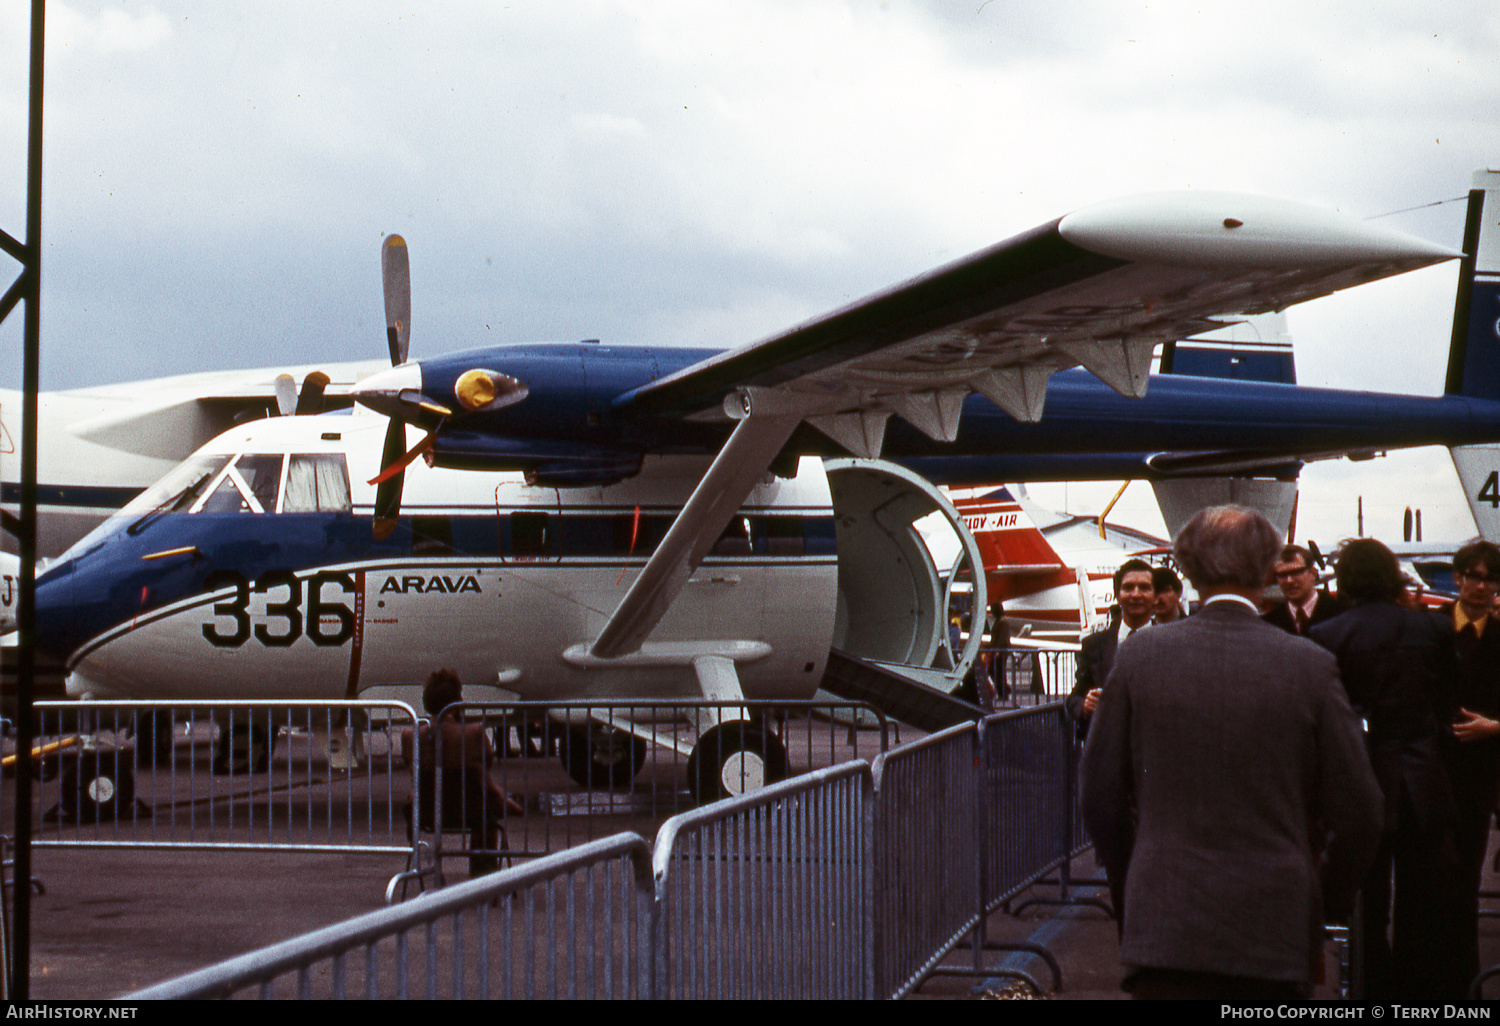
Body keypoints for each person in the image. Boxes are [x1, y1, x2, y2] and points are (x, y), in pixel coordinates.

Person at [1080, 506, 1382, 1000]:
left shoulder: (1141, 655)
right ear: (1267, 571)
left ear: (1188, 571)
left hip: (1165, 925)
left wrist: (1139, 883)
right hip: (1275, 926)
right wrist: (1322, 899)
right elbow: (1361, 812)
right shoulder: (1309, 663)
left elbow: (1099, 798)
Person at [1308, 539, 1460, 1000]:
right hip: (1422, 779)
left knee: (1367, 903)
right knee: (1422, 901)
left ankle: (1373, 988)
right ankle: (1422, 995)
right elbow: (1446, 705)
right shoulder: (1433, 630)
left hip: (1362, 779)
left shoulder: (1327, 636)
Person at [1434, 541, 1500, 991]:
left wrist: (1494, 728)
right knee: (1426, 887)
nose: (1480, 586)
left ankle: (1462, 986)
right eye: (1472, 576)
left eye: (1490, 578)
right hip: (1428, 774)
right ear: (1456, 579)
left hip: (1479, 780)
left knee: (1463, 884)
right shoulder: (1426, 628)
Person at [400, 669, 522, 877]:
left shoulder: (410, 736)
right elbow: (486, 766)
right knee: (484, 810)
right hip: (472, 811)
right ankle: (482, 873)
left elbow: (411, 767)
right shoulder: (474, 732)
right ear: (457, 700)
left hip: (427, 813)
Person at [1065, 559, 1155, 739]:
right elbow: (1073, 698)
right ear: (1117, 595)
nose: (1136, 594)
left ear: (1155, 595)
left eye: (1144, 588)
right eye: (1128, 587)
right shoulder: (1094, 644)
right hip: (1108, 749)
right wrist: (1084, 705)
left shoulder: (1174, 643)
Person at [1263, 544, 1349, 635]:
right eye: (1282, 575)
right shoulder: (1268, 624)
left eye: (1296, 573)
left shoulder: (1342, 614)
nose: (1289, 581)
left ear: (1313, 573)